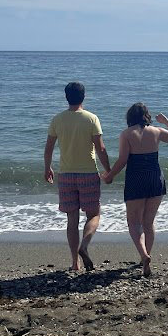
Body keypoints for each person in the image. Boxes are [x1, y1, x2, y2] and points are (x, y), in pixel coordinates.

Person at [103, 104, 168, 277]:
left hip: (136, 179)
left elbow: (123, 160)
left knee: (134, 223)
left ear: (130, 117)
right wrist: (165, 121)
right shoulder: (156, 131)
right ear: (146, 116)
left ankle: (144, 255)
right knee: (148, 222)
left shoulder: (126, 134)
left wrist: (109, 175)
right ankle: (145, 256)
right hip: (155, 178)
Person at [44, 81, 111, 272]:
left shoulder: (57, 119)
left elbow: (48, 147)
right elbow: (101, 148)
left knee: (71, 220)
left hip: (65, 175)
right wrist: (109, 170)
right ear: (84, 97)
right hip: (88, 174)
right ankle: (85, 245)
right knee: (94, 214)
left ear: (66, 97)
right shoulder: (91, 119)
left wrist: (47, 167)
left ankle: (75, 263)